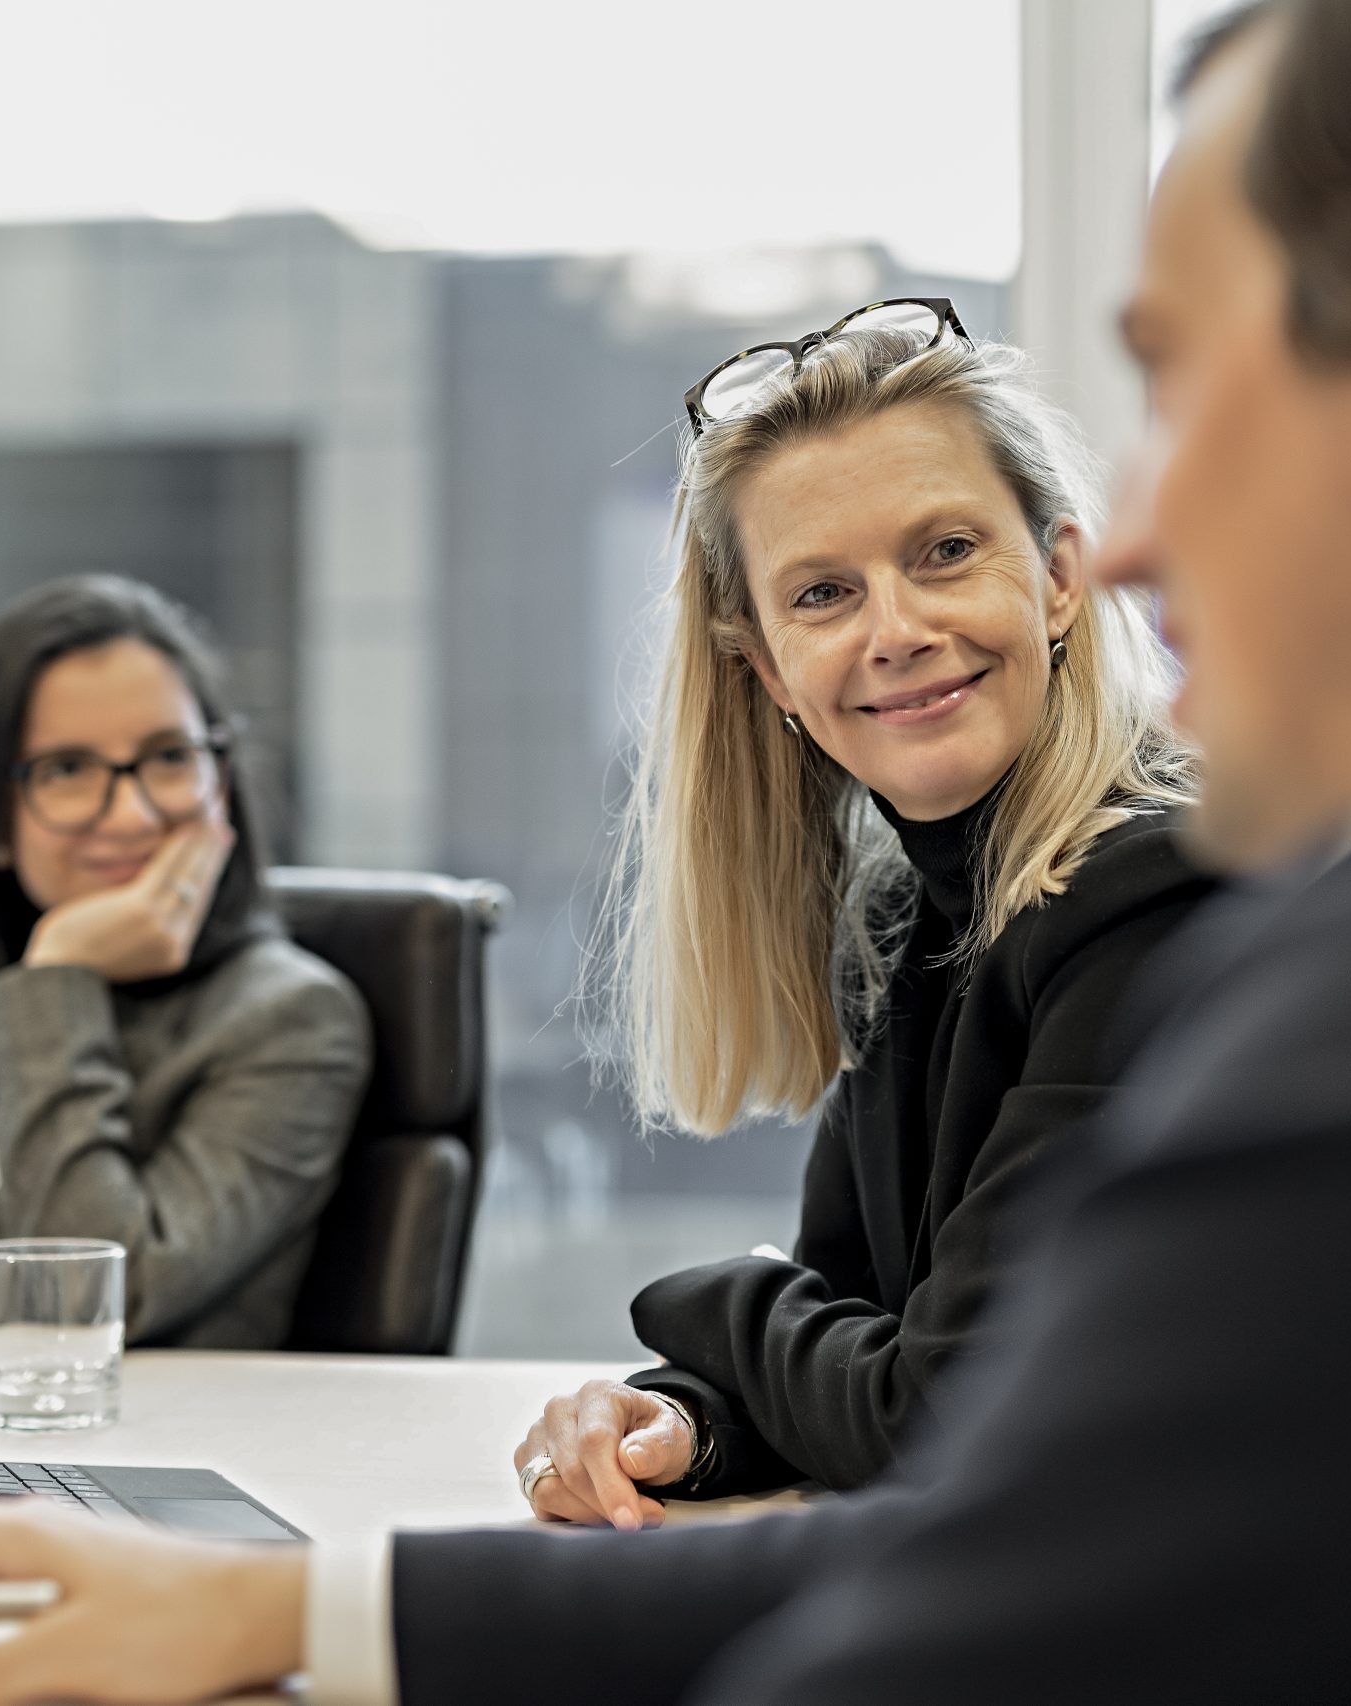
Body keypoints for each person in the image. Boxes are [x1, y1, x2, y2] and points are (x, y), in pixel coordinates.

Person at [0, 2, 1351, 1701]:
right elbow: (1022, 1499)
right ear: (749, 663)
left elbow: (963, 1513)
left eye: (1180, 381)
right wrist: (293, 1600)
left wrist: (685, 1324)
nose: (1146, 541)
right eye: (819, 591)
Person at [517, 321, 1211, 1529]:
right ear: (768, 670)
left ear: (1057, 577)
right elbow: (854, 1313)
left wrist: (704, 1308)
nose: (893, 628)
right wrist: (686, 1417)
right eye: (823, 592)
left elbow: (940, 1412)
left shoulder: (1152, 898)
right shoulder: (911, 909)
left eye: (944, 551)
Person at [0, 575, 371, 1348]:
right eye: (69, 771)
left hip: (78, 1458)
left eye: (169, 758)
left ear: (221, 785)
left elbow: (93, 1307)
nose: (132, 813)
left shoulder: (290, 1024)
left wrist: (55, 984)